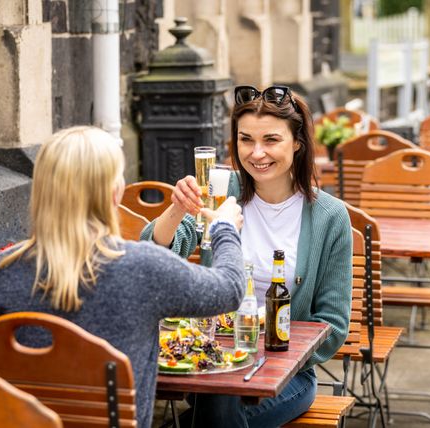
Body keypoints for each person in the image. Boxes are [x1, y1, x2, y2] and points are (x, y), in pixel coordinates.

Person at [0, 126, 246, 428]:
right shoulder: (143, 268)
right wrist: (225, 229)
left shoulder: (0, 272)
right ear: (115, 192)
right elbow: (231, 289)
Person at [141, 86, 353, 427]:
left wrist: (267, 349)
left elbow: (333, 325)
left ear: (297, 143)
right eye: (245, 140)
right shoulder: (222, 190)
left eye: (271, 140)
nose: (257, 153)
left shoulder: (329, 216)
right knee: (216, 403)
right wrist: (178, 209)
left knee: (216, 412)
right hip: (212, 363)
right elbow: (155, 254)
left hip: (285, 376)